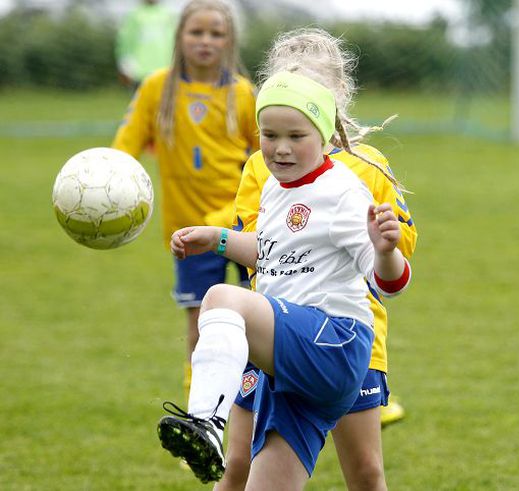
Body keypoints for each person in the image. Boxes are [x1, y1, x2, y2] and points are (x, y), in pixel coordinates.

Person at [157, 70, 412, 488]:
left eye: (296, 136)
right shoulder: (278, 186)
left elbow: (391, 284)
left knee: (223, 297)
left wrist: (386, 251)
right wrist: (217, 239)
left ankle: (205, 421)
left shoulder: (343, 193)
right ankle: (207, 423)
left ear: (327, 135)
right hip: (294, 365)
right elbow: (272, 253)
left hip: (335, 342)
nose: (280, 148)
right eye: (269, 135)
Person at [214, 27, 418, 491]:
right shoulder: (263, 167)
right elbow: (262, 255)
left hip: (351, 339)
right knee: (238, 463)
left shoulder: (367, 167)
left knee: (365, 472)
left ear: (338, 96)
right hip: (277, 327)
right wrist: (218, 240)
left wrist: (382, 245)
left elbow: (398, 255)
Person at [112, 0, 259, 400]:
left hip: (244, 224)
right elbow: (124, 149)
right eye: (197, 32)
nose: (206, 41)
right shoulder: (157, 89)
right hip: (189, 231)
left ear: (230, 41)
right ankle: (199, 419)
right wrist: (108, 181)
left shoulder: (243, 94)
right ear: (180, 37)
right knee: (200, 323)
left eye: (217, 33)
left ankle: (258, 411)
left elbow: (266, 161)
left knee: (259, 325)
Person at [115, 0, 177, 87]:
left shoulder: (167, 15)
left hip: (164, 71)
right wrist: (125, 67)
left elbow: (174, 42)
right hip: (140, 73)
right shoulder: (134, 15)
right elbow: (125, 43)